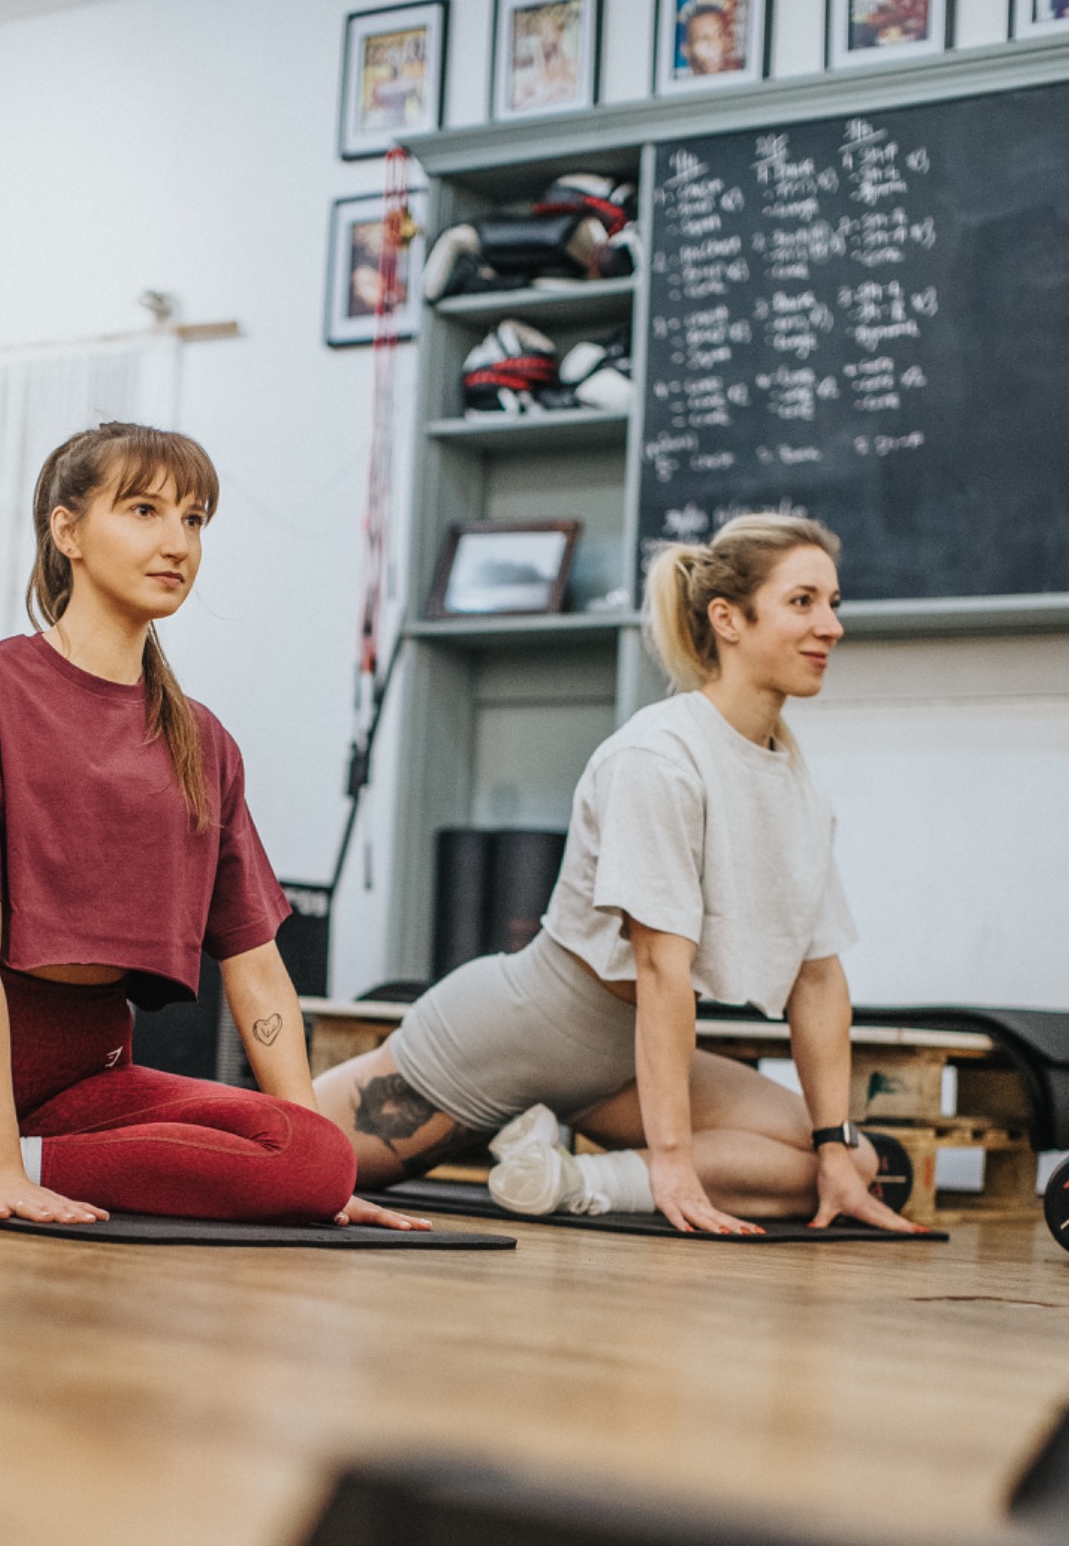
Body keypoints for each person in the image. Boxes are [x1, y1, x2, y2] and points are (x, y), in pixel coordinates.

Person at [0, 421, 423, 1232]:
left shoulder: (203, 742)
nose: (177, 543)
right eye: (143, 511)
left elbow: (257, 967)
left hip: (81, 1069)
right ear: (68, 532)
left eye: (194, 519)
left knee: (313, 1157)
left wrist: (322, 1173)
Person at [316, 513, 918, 1236]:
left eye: (832, 604)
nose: (830, 626)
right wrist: (670, 1158)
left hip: (622, 1064)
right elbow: (661, 967)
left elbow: (818, 979)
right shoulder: (658, 757)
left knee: (841, 1165)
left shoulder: (792, 782)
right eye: (802, 602)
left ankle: (568, 1179)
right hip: (520, 1030)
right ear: (727, 618)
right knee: (277, 1160)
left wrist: (831, 1140)